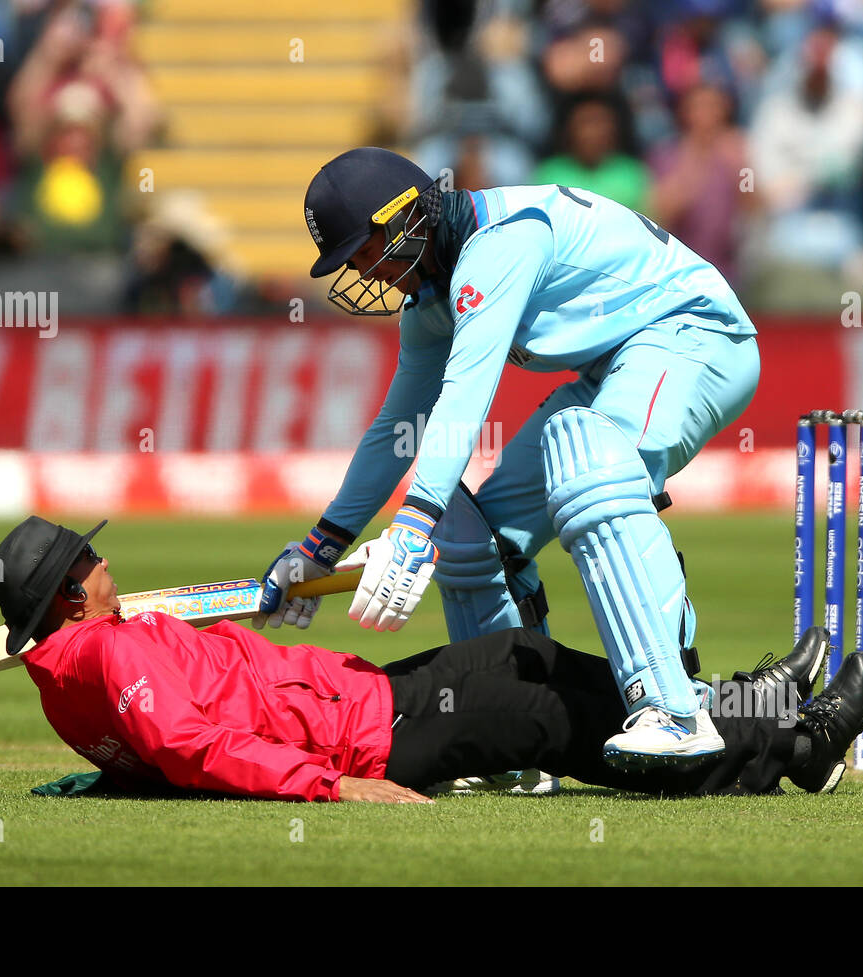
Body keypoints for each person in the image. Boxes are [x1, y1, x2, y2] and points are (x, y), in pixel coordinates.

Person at [257, 147, 762, 771]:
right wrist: (320, 546)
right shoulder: (432, 300)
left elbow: (466, 392)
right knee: (475, 541)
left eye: (366, 251)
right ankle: (519, 751)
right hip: (614, 365)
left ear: (407, 219)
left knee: (588, 462)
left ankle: (674, 709)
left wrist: (412, 525)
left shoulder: (503, 241)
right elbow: (398, 428)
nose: (369, 273)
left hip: (697, 336)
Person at [0, 517, 863, 803]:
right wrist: (328, 787)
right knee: (553, 720)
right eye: (89, 559)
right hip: (363, 746)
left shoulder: (69, 666)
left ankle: (731, 704)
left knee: (521, 651)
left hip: (359, 696)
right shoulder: (100, 652)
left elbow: (145, 753)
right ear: (70, 591)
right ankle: (792, 751)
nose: (107, 561)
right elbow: (187, 746)